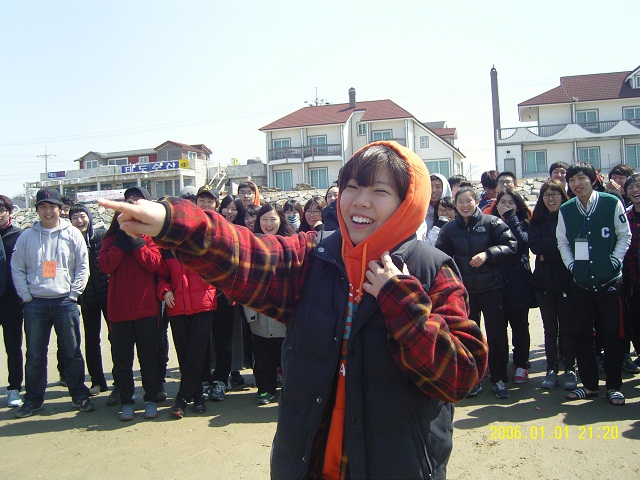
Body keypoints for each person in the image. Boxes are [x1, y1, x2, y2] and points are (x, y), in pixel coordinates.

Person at [99, 141, 487, 480]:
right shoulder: (314, 255)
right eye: (352, 187)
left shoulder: (430, 270)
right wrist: (174, 223)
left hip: (396, 465)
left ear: (408, 202)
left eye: (379, 191)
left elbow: (461, 375)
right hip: (306, 461)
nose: (360, 200)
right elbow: (246, 255)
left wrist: (400, 300)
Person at [12, 187, 93, 418]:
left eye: (52, 207)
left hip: (65, 302)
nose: (48, 211)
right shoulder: (27, 236)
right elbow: (17, 268)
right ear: (37, 210)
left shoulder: (72, 234)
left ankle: (79, 395)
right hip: (35, 303)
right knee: (35, 355)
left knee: (72, 352)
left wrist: (74, 294)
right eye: (43, 207)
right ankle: (33, 399)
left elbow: (82, 266)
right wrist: (26, 296)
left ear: (60, 209)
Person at [558, 162, 631, 406]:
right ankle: (589, 385)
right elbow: (562, 242)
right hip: (581, 283)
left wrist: (614, 261)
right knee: (581, 335)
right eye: (572, 180)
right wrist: (572, 266)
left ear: (592, 179)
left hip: (609, 283)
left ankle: (613, 386)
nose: (577, 184)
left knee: (612, 335)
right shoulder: (567, 209)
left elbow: (624, 235)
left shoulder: (611, 202)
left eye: (581, 178)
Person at [436, 186, 516, 399]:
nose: (465, 206)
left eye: (468, 201)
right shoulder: (449, 229)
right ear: (455, 204)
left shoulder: (492, 223)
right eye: (460, 202)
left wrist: (488, 254)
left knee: (497, 335)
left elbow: (511, 245)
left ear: (476, 201)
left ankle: (499, 378)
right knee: (468, 337)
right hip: (465, 292)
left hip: (492, 288)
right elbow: (441, 257)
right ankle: (473, 380)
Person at [98, 187, 164, 421]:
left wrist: (136, 243)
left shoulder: (148, 238)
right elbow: (105, 266)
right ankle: (126, 401)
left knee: (149, 358)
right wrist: (120, 243)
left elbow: (155, 264)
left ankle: (150, 398)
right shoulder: (109, 240)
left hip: (146, 309)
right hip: (119, 312)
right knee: (122, 360)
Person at [157, 242, 217, 418]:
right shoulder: (166, 247)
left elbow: (218, 268)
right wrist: (165, 290)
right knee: (184, 355)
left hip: (203, 304)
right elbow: (160, 276)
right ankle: (198, 397)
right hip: (177, 306)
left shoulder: (203, 242)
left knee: (196, 354)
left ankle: (182, 398)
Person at [529, 181, 576, 390]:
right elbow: (534, 246)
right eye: (547, 194)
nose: (551, 198)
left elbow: (574, 245)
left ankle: (570, 368)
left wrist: (547, 251)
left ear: (562, 196)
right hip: (544, 284)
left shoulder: (570, 217)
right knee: (550, 329)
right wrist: (559, 246)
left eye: (555, 194)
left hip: (567, 281)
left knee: (568, 327)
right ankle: (551, 369)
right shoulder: (537, 220)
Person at [245, 202, 293, 405]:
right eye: (264, 219)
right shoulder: (251, 242)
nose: (268, 224)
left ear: (281, 220)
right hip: (259, 306)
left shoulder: (290, 243)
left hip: (283, 307)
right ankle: (265, 389)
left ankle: (289, 390)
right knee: (262, 351)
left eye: (273, 219)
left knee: (287, 352)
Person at [490, 189, 536, 384]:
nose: (506, 206)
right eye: (503, 202)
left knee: (520, 327)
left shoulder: (523, 223)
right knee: (497, 329)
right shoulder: (490, 223)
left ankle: (521, 364)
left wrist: (511, 218)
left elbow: (523, 243)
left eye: (511, 203)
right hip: (496, 283)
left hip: (519, 283)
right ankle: (498, 364)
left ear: (518, 206)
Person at [69, 204, 110, 395]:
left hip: (108, 295)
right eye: (75, 218)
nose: (79, 221)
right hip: (87, 298)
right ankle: (97, 381)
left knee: (116, 337)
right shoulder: (70, 240)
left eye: (82, 216)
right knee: (92, 340)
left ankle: (119, 379)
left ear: (89, 217)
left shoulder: (102, 236)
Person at [0, 195, 24, 408]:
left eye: (2, 210)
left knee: (13, 346)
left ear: (10, 212)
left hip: (12, 300)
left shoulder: (19, 236)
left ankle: (14, 387)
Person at [622, 174, 640, 370]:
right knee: (636, 317)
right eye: (631, 188)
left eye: (639, 186)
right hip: (635, 278)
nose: (636, 190)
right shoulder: (626, 217)